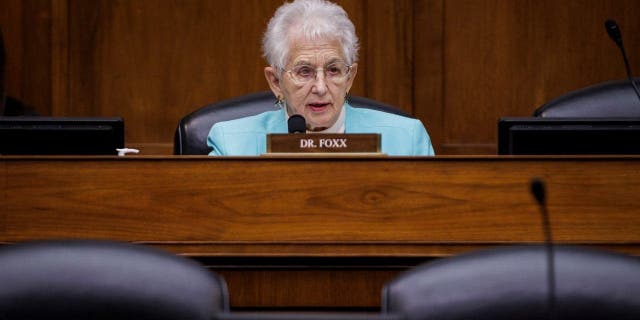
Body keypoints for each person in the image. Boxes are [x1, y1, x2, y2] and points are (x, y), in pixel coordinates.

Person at [207, 0, 434, 156]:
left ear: (350, 77)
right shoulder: (231, 144)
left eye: (333, 70)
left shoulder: (407, 140)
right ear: (275, 81)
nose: (321, 87)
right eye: (304, 71)